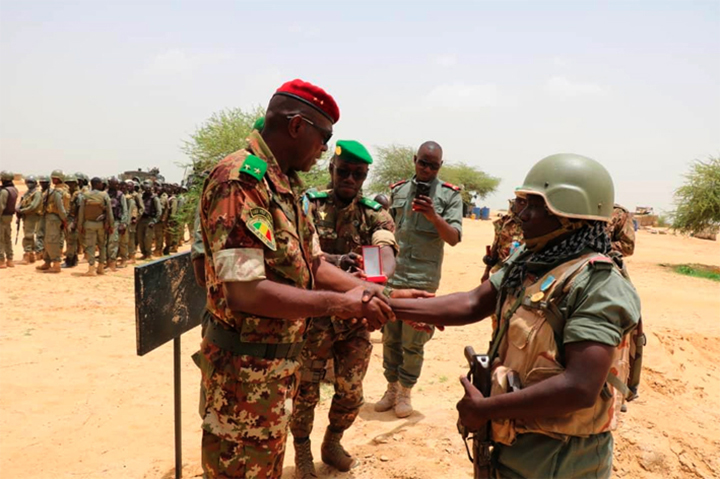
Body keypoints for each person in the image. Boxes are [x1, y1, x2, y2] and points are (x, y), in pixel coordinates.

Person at [197, 79, 409, 479]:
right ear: (296, 127)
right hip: (242, 381)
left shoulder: (284, 185)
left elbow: (313, 265)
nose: (325, 149)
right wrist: (339, 303)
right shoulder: (240, 181)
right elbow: (245, 291)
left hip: (274, 374)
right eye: (324, 138)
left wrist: (379, 293)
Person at [388, 153, 642, 479]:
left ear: (566, 215)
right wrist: (386, 305)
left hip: (563, 459)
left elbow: (581, 387)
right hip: (513, 440)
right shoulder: (531, 259)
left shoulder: (598, 284)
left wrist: (485, 409)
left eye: (532, 206)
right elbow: (472, 303)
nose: (520, 215)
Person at [291, 140, 399, 477]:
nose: (350, 178)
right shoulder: (309, 204)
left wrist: (379, 271)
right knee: (304, 391)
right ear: (331, 170)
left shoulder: (373, 211)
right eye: (344, 171)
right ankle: (303, 452)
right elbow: (301, 256)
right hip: (315, 316)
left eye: (358, 174)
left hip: (355, 320)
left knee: (351, 391)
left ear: (365, 177)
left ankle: (332, 442)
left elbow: (386, 247)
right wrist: (337, 261)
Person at [376, 141, 463, 418]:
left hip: (423, 278)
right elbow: (386, 230)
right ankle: (391, 388)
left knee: (413, 340)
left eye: (433, 165)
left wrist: (433, 216)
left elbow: (454, 239)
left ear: (440, 166)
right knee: (390, 336)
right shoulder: (398, 190)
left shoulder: (450, 196)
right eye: (422, 163)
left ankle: (405, 392)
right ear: (415, 160)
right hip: (394, 275)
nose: (427, 169)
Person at [481, 199, 525, 283]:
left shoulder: (533, 224)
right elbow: (495, 246)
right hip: (500, 271)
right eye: (518, 202)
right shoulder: (504, 222)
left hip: (521, 274)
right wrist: (486, 272)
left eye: (523, 203)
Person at [36, 170, 70, 273]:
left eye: (56, 178)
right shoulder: (56, 190)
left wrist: (64, 219)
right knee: (47, 240)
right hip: (50, 218)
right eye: (53, 178)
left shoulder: (58, 192)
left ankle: (56, 264)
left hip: (54, 218)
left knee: (52, 241)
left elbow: (61, 208)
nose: (54, 180)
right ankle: (47, 262)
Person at [78, 177, 113, 276]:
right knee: (102, 246)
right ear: (97, 184)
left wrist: (80, 225)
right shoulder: (104, 195)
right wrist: (111, 225)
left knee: (90, 246)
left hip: (89, 224)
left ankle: (91, 269)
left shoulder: (85, 195)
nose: (102, 185)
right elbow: (109, 212)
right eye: (101, 183)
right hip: (101, 225)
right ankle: (101, 268)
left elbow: (81, 212)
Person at [16, 175, 43, 264]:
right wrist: (18, 209)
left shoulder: (37, 193)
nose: (29, 184)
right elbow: (22, 203)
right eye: (27, 182)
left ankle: (27, 254)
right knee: (29, 234)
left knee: (28, 235)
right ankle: (31, 254)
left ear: (35, 183)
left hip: (33, 216)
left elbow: (33, 206)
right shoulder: (28, 193)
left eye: (31, 182)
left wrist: (22, 211)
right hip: (27, 216)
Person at [106, 176, 128, 271]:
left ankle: (112, 264)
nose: (114, 185)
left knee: (113, 243)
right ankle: (107, 262)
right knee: (105, 243)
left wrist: (123, 223)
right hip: (105, 222)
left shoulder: (120, 195)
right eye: (112, 183)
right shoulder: (105, 194)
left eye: (115, 184)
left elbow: (124, 210)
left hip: (116, 222)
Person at [137, 180, 161, 260]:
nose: (147, 188)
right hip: (141, 220)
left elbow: (159, 211)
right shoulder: (141, 196)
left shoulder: (154, 198)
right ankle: (144, 253)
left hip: (149, 220)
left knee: (148, 238)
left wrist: (154, 221)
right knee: (140, 238)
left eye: (148, 187)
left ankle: (148, 254)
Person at [62, 174, 81, 268]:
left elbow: (80, 211)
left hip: (73, 219)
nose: (69, 185)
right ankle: (74, 259)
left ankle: (69, 261)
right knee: (69, 240)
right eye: (67, 183)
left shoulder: (78, 195)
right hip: (68, 219)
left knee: (71, 241)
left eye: (71, 183)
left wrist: (75, 223)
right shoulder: (69, 194)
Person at [0, 170, 18, 269]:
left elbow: (1, 206)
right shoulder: (14, 189)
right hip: (9, 216)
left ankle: (1, 261)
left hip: (2, 217)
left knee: (1, 239)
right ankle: (10, 260)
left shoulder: (4, 191)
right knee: (8, 238)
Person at [35, 175, 51, 259]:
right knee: (40, 234)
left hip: (47, 215)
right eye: (41, 183)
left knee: (43, 234)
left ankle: (41, 251)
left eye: (44, 183)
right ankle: (40, 251)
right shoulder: (40, 192)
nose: (42, 184)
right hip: (40, 215)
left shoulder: (50, 193)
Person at [154, 182, 169, 256]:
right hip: (156, 219)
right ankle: (157, 248)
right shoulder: (156, 196)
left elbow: (167, 209)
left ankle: (159, 250)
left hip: (161, 220)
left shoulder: (165, 197)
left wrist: (164, 218)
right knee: (156, 235)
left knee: (160, 236)